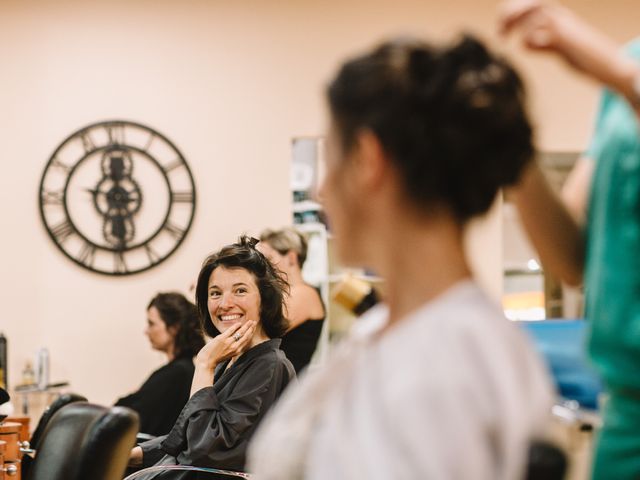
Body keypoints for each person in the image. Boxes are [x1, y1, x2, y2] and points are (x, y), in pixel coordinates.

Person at [248, 34, 553, 479]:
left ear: (369, 159)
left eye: (330, 160)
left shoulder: (446, 363)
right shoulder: (383, 330)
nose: (320, 191)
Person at [499, 1, 640, 478]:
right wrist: (512, 148)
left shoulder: (624, 71)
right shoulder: (629, 66)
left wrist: (621, 76)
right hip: (627, 411)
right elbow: (575, 260)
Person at [128, 237, 296, 477]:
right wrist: (138, 453)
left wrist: (205, 364)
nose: (225, 304)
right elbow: (191, 433)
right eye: (215, 293)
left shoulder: (267, 366)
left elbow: (204, 448)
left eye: (240, 290)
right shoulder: (233, 360)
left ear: (265, 300)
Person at [115, 292, 205, 437]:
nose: (146, 331)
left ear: (174, 328)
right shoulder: (182, 370)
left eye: (152, 324)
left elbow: (127, 417)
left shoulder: (176, 374)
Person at [258, 227, 325, 373]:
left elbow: (263, 331)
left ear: (291, 258)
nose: (264, 266)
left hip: (288, 388)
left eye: (268, 259)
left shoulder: (305, 294)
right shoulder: (283, 294)